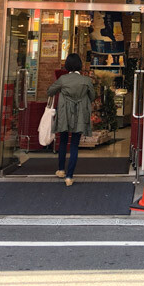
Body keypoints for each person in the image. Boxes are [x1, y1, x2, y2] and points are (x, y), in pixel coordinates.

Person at [47, 53, 96, 186]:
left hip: (64, 114)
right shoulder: (86, 81)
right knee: (74, 145)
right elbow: (92, 96)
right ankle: (69, 177)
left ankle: (61, 170)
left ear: (67, 65)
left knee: (63, 142)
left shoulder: (63, 79)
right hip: (80, 114)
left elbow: (50, 91)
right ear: (80, 65)